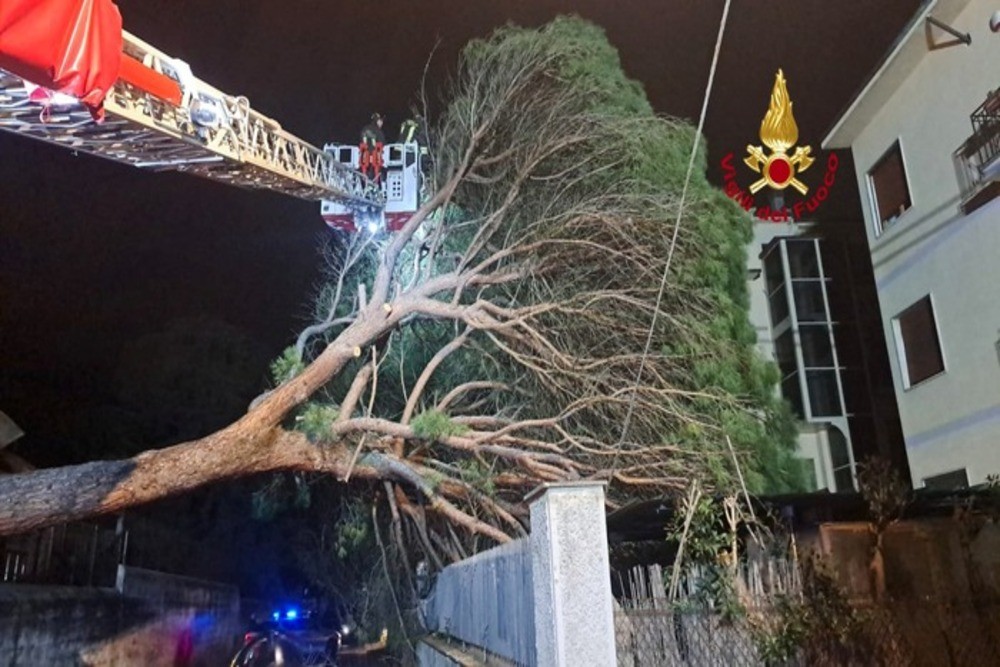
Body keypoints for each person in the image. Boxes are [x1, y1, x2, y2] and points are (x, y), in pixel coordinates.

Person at [359, 112, 385, 183]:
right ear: (377, 121)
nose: (381, 123)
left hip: (364, 156)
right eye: (380, 121)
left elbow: (361, 141)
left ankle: (364, 181)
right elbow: (382, 143)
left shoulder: (364, 129)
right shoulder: (378, 131)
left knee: (364, 170)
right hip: (375, 156)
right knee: (377, 169)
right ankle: (376, 183)